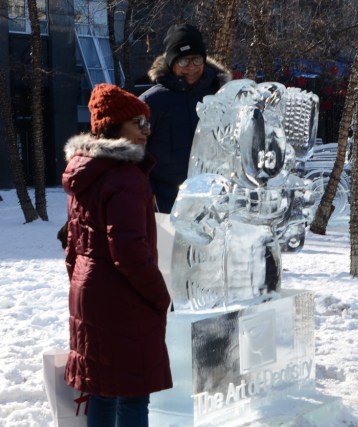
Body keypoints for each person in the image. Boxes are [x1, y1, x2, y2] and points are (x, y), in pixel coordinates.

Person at [62, 83, 172, 426]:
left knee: (102, 392)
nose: (146, 131)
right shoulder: (125, 177)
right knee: (133, 397)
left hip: (90, 293)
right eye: (137, 123)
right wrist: (160, 296)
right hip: (124, 299)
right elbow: (129, 252)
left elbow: (72, 245)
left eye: (147, 123)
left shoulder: (85, 171)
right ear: (112, 126)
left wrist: (85, 285)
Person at [139, 23, 231, 213]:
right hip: (165, 204)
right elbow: (133, 152)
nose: (191, 67)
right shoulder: (151, 102)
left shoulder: (223, 95)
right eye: (183, 61)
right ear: (172, 63)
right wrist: (147, 194)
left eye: (196, 59)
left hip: (213, 205)